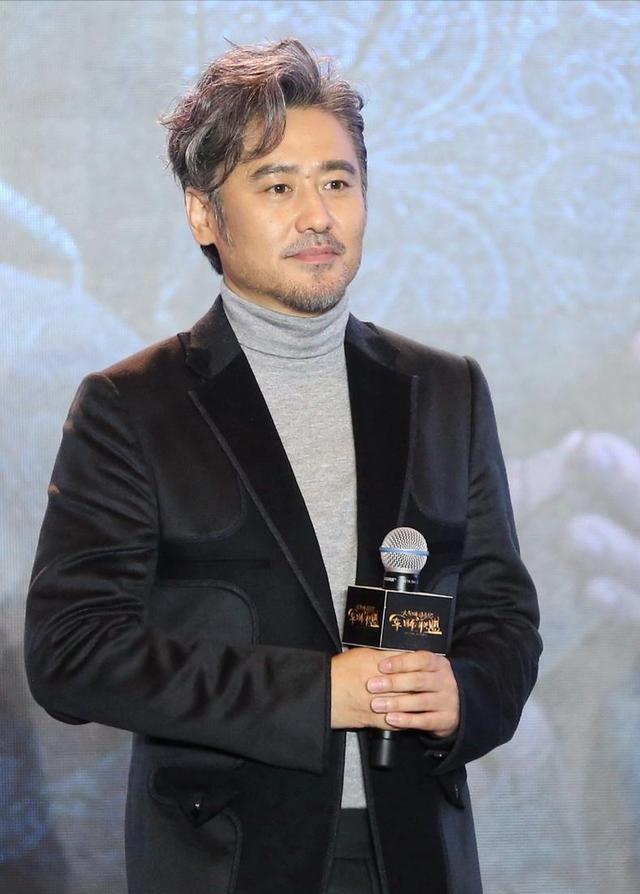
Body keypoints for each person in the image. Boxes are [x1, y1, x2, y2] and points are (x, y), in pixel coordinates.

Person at [24, 39, 541, 894]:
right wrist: (316, 695)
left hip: (417, 852)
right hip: (230, 860)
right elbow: (71, 653)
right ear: (204, 215)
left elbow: (504, 618)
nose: (316, 216)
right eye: (277, 187)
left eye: (337, 182)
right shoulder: (133, 408)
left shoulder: (445, 391)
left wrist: (468, 695)